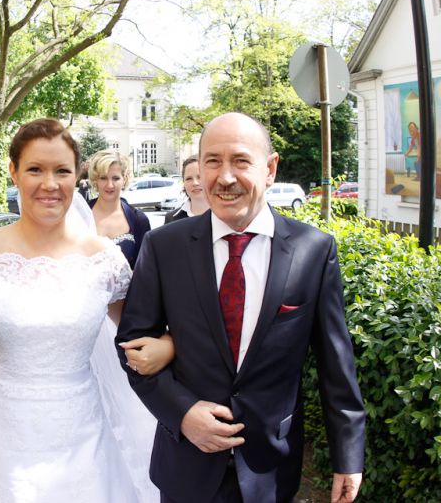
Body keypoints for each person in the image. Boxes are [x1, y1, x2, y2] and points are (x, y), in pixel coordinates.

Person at [0, 118, 172, 503]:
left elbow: (139, 335)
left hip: (80, 437)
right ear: (13, 172)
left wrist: (168, 345)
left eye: (62, 171)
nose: (50, 184)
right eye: (35, 169)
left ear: (77, 176)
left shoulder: (104, 259)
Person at [116, 112, 366, 503]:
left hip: (271, 469)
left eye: (241, 161)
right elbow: (132, 346)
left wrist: (347, 457)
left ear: (270, 169)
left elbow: (336, 366)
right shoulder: (164, 246)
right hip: (186, 468)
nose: (225, 177)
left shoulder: (313, 250)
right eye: (213, 161)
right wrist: (182, 412)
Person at [87, 149, 151, 269]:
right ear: (96, 180)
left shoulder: (139, 220)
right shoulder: (79, 215)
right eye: (103, 178)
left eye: (116, 178)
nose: (110, 185)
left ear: (124, 179)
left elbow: (144, 269)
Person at [165, 155, 209, 224]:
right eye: (189, 179)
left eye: (199, 177)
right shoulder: (171, 218)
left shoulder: (224, 216)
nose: (195, 183)